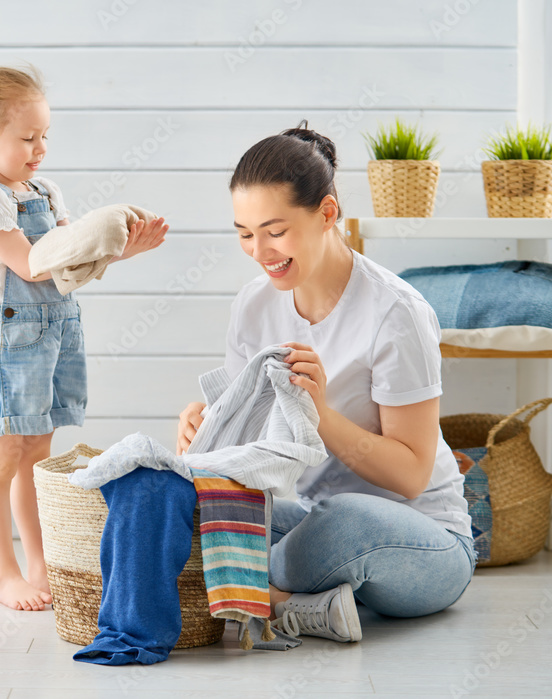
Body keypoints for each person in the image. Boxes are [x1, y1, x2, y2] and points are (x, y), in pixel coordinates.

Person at [177, 124, 475, 642]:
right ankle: (301, 604)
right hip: (313, 522)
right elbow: (253, 451)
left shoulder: (396, 313)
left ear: (328, 213)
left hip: (424, 538)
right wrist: (208, 435)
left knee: (342, 521)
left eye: (275, 230)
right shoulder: (254, 305)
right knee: (184, 508)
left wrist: (321, 416)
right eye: (245, 233)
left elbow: (410, 475)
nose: (260, 250)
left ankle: (259, 586)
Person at [0, 60, 168, 611]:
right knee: (1, 458)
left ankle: (40, 561)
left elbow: (72, 268)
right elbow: (31, 265)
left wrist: (119, 249)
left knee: (39, 457)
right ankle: (5, 575)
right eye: (27, 137)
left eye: (44, 135)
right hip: (10, 340)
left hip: (56, 332)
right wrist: (97, 242)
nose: (39, 148)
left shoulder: (45, 190)